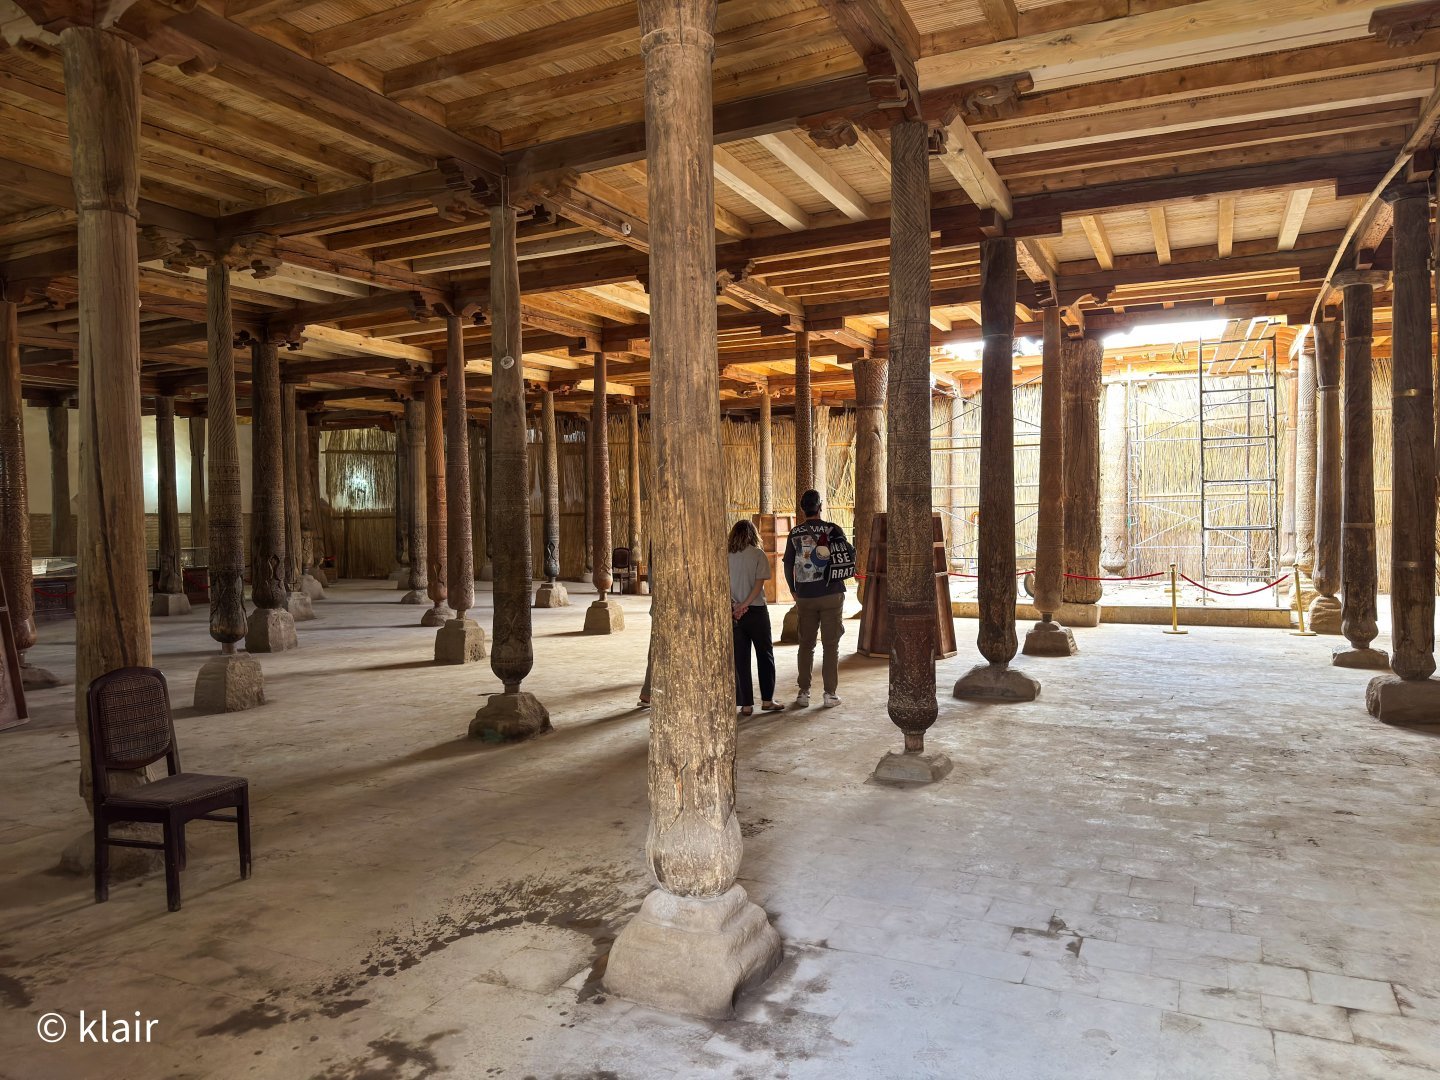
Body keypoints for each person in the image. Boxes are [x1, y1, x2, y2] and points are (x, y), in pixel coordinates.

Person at [783, 489, 847, 708]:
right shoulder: (833, 529)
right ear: (820, 506)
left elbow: (788, 564)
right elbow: (846, 557)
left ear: (803, 509)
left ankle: (804, 692)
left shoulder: (795, 533)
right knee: (830, 646)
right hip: (832, 593)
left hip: (805, 595)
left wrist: (793, 590)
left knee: (806, 645)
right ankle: (830, 694)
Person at [728, 519, 782, 716]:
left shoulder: (725, 556)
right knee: (765, 655)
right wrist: (745, 604)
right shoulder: (758, 554)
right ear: (753, 534)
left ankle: (746, 704)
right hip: (756, 610)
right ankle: (767, 700)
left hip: (734, 612)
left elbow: (722, 585)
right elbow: (759, 586)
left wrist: (736, 605)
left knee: (741, 658)